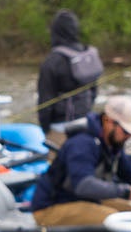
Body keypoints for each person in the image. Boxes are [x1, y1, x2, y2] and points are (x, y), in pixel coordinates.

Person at [30, 94, 131, 232]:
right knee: (111, 219)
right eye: (126, 131)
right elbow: (84, 185)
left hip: (78, 202)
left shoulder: (110, 143)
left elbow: (129, 169)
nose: (129, 136)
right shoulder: (82, 143)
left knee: (130, 211)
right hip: (49, 209)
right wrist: (126, 191)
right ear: (108, 121)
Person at [36, 9, 102, 142]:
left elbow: (45, 102)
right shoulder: (88, 56)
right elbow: (94, 92)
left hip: (60, 130)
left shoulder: (51, 62)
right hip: (86, 125)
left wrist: (45, 129)